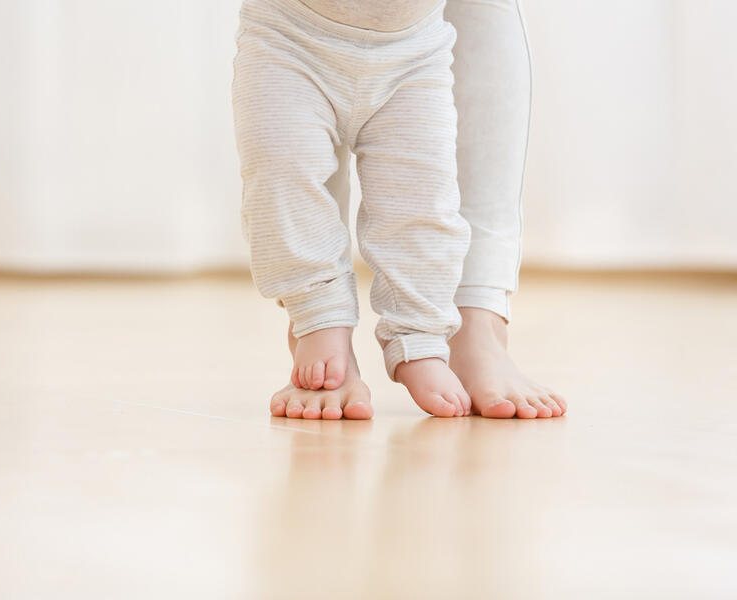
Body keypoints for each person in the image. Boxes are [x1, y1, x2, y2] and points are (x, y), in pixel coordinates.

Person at [232, 0, 567, 419]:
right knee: (286, 175)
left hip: (413, 50)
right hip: (289, 37)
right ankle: (319, 322)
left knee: (423, 199)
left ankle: (422, 339)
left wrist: (419, 333)